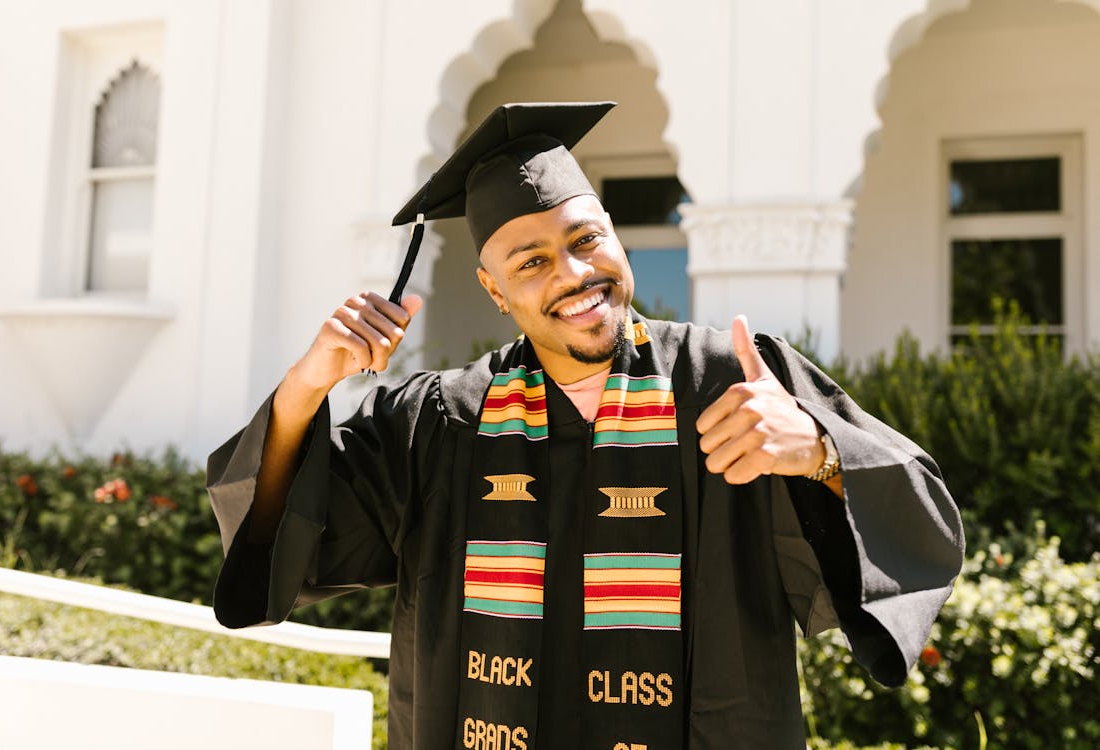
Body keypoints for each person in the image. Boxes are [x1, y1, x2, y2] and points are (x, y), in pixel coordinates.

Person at [208, 101, 964, 750]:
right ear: (492, 289)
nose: (572, 274)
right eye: (529, 262)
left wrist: (817, 453)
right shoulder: (439, 423)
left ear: (613, 231)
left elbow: (918, 521)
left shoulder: (729, 381)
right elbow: (285, 549)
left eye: (584, 239)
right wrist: (309, 385)